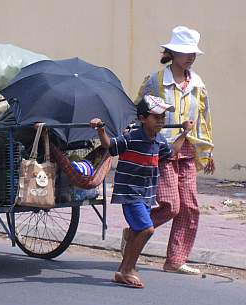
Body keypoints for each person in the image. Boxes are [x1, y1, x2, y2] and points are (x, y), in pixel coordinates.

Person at [133, 26, 214, 275]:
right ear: (172, 52)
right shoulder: (155, 81)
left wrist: (208, 150)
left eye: (193, 53)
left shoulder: (198, 84)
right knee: (170, 205)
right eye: (185, 52)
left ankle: (175, 260)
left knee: (190, 207)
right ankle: (136, 231)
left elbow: (203, 118)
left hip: (188, 148)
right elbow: (140, 112)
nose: (190, 57)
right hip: (161, 149)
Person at [90, 95, 193, 288]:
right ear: (143, 118)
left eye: (163, 117)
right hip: (130, 193)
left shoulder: (159, 140)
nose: (161, 121)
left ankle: (123, 271)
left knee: (138, 231)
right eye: (156, 117)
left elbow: (171, 152)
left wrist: (184, 133)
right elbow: (109, 145)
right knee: (147, 229)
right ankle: (128, 269)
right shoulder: (132, 137)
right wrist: (100, 130)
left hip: (146, 195)